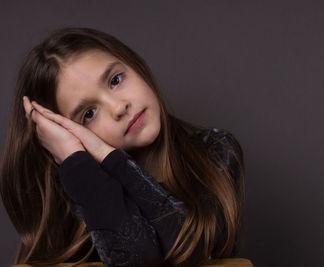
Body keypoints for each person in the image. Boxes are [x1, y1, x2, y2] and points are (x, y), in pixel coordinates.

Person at [0, 27, 245, 267]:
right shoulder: (82, 194)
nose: (119, 107)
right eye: (89, 114)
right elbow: (139, 258)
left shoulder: (215, 151)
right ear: (65, 134)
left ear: (136, 65)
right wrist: (75, 158)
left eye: (115, 80)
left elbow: (190, 252)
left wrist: (106, 153)